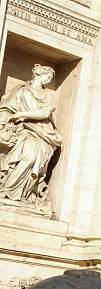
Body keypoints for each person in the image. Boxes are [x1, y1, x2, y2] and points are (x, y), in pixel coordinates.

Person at [0, 64, 62, 204]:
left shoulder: (48, 95)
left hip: (42, 132)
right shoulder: (20, 90)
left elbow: (45, 113)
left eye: (51, 78)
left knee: (34, 159)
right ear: (39, 75)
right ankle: (7, 189)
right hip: (22, 129)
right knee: (28, 157)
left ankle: (23, 193)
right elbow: (6, 107)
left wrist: (20, 114)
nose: (49, 80)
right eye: (48, 76)